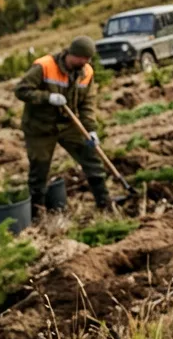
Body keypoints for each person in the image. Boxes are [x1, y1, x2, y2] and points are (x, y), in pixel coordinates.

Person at [14, 35, 112, 213]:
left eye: (88, 59)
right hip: (40, 126)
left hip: (67, 124)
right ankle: (38, 211)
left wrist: (91, 130)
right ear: (73, 54)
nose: (86, 62)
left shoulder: (86, 73)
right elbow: (21, 90)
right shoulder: (44, 66)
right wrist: (47, 97)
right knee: (39, 168)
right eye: (83, 58)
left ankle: (104, 204)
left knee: (91, 158)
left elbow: (87, 104)